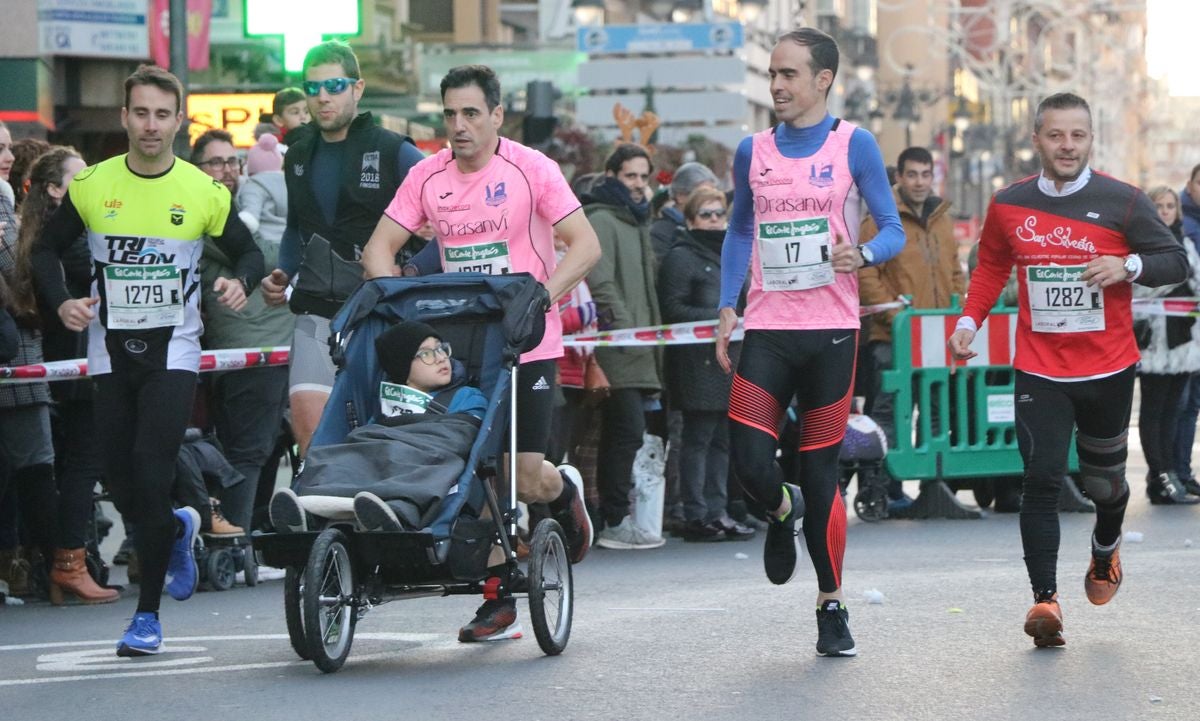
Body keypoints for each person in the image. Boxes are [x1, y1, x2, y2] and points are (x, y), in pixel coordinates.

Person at [360, 64, 601, 642]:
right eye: (450, 114)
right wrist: (401, 312)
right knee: (474, 472)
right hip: (463, 345)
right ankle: (498, 599)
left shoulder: (531, 168)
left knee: (521, 477)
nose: (459, 126)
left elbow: (585, 245)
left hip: (530, 341)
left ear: (497, 115)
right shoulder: (429, 176)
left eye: (471, 113)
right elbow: (379, 249)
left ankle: (563, 492)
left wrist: (541, 296)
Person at [31, 65, 264, 656]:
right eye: (141, 113)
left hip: (175, 352)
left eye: (163, 114)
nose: (151, 125)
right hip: (109, 354)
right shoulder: (93, 186)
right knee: (118, 473)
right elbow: (44, 254)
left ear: (178, 120)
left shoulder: (202, 191)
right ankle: (181, 524)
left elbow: (249, 252)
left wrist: (240, 281)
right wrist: (61, 304)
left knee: (150, 463)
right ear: (125, 117)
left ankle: (147, 615)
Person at [947, 92, 1188, 648]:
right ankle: (1045, 600)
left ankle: (1105, 549)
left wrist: (1125, 264)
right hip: (1039, 367)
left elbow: (1173, 259)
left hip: (1106, 367)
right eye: (1056, 135)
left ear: (1090, 140)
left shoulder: (1122, 201)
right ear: (1037, 139)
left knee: (1105, 486)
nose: (1067, 146)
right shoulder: (1009, 204)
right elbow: (989, 269)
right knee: (1041, 480)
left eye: (1077, 136)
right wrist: (967, 322)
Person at [715, 27, 904, 658]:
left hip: (830, 333)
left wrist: (866, 252)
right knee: (747, 462)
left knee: (822, 471)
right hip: (768, 329)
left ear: (823, 79)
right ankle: (778, 510)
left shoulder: (857, 144)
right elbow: (740, 229)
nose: (776, 86)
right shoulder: (753, 150)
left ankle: (831, 605)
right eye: (772, 74)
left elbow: (894, 226)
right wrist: (725, 306)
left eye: (788, 74)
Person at [260, 40, 425, 460]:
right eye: (313, 88)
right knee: (310, 433)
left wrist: (415, 269)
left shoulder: (394, 149)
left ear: (358, 88)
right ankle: (324, 520)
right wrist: (283, 272)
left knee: (383, 436)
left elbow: (446, 218)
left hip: (381, 312)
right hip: (316, 309)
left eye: (334, 85)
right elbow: (297, 225)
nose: (323, 97)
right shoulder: (297, 154)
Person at [12, 146, 120, 604]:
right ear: (55, 190)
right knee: (83, 464)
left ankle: (67, 561)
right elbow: (105, 272)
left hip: (71, 360)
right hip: (80, 361)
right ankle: (69, 563)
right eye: (80, 178)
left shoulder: (45, 232)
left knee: (77, 463)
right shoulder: (72, 236)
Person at [269, 321, 488, 534]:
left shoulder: (466, 396)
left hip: (429, 457)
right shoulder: (384, 403)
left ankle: (397, 510)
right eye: (426, 354)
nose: (441, 358)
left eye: (441, 349)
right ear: (402, 366)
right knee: (340, 454)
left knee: (424, 461)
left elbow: (460, 436)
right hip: (385, 457)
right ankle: (310, 510)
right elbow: (372, 441)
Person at [192, 129, 293, 533]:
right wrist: (289, 245)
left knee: (265, 446)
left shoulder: (248, 205)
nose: (228, 171)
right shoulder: (207, 210)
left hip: (269, 343)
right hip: (244, 344)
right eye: (215, 162)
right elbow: (270, 254)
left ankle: (253, 530)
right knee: (248, 449)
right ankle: (237, 538)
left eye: (233, 162)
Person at [858, 146, 965, 510]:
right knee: (890, 413)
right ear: (899, 178)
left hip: (937, 334)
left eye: (925, 174)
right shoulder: (880, 217)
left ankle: (932, 487)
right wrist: (895, 316)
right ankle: (882, 490)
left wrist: (959, 308)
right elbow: (866, 270)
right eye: (912, 175)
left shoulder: (942, 219)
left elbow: (954, 271)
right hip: (893, 336)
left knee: (935, 410)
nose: (919, 182)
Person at [658, 186, 755, 542]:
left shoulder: (733, 253)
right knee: (698, 438)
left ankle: (718, 511)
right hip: (696, 361)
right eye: (706, 214)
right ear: (689, 219)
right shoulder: (681, 256)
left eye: (719, 214)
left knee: (722, 440)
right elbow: (673, 310)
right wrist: (721, 317)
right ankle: (695, 514)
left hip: (731, 358)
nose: (714, 221)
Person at [583, 144, 667, 550]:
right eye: (630, 175)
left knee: (624, 433)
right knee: (625, 431)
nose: (638, 184)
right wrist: (627, 331)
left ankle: (610, 516)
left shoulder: (635, 221)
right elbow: (601, 283)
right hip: (617, 347)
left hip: (636, 347)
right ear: (612, 174)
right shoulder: (601, 219)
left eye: (643, 177)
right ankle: (612, 519)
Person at [1133, 186, 1200, 503]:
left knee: (1176, 411)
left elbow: (1194, 281)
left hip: (1184, 341)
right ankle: (1159, 478)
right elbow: (1140, 289)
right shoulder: (1140, 245)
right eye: (1158, 205)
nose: (1164, 211)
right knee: (1154, 411)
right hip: (1154, 342)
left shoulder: (1184, 242)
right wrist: (1176, 275)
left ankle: (1172, 473)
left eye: (1170, 205)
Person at [1174, 165, 1200, 490]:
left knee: (1190, 402)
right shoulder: (1185, 224)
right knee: (1183, 402)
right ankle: (1175, 471)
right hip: (1184, 330)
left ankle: (1181, 470)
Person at [649, 161, 719, 262]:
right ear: (680, 196)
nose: (710, 202)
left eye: (713, 195)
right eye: (701, 195)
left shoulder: (713, 227)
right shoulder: (660, 234)